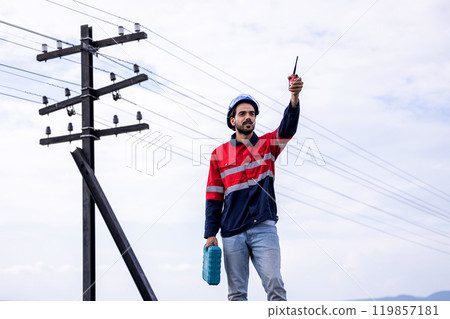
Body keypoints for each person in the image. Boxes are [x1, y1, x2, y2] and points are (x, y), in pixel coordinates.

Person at [203, 75, 303, 301]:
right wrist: (210, 234)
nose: (248, 117)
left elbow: (287, 127)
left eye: (252, 114)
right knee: (237, 294)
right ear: (232, 120)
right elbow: (214, 197)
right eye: (242, 114)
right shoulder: (218, 155)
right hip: (232, 232)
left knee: (275, 285)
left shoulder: (268, 144)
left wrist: (294, 98)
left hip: (264, 228)